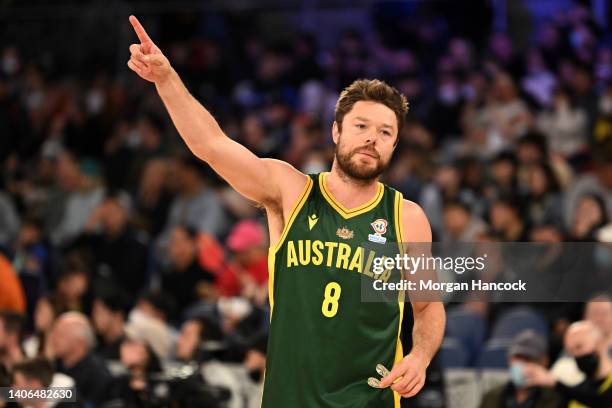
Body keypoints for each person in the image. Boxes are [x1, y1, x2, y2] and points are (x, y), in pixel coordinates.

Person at [127, 16, 445, 407]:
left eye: (385, 133)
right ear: (336, 131)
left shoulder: (407, 217)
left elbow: (429, 308)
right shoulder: (290, 190)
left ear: (394, 146)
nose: (371, 139)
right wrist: (167, 81)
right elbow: (211, 145)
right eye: (361, 125)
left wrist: (419, 356)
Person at [524, 321, 612, 407]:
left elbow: (603, 401)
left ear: (601, 343)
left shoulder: (572, 392)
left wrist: (555, 384)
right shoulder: (579, 389)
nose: (576, 355)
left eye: (579, 347)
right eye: (571, 351)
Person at [479, 330, 564, 408]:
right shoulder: (492, 396)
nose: (522, 365)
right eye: (518, 358)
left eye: (528, 359)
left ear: (543, 362)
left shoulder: (554, 399)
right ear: (509, 360)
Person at [48, 312, 113, 406]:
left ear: (79, 342)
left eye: (60, 334)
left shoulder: (97, 374)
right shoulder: (54, 365)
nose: (53, 339)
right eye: (54, 333)